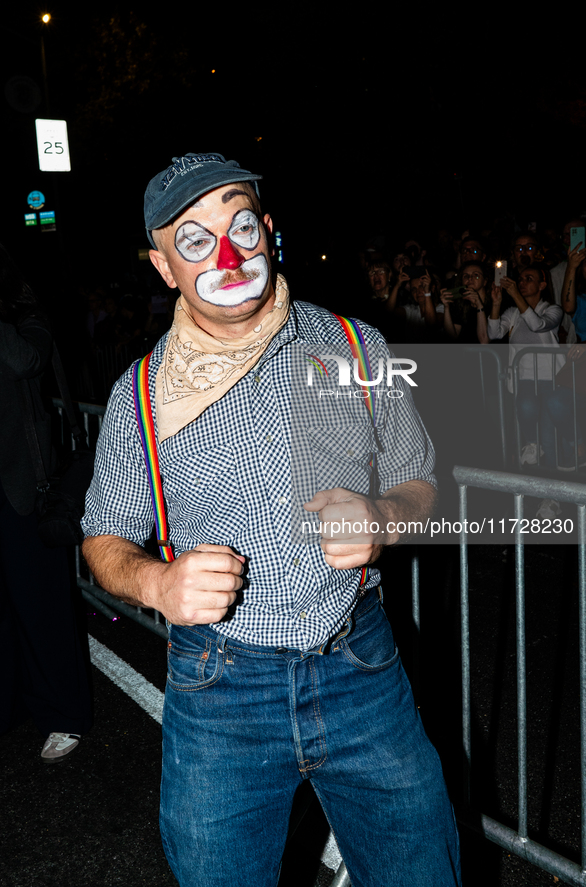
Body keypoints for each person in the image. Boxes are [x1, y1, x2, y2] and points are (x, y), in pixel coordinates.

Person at [81, 153, 461, 887]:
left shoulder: (355, 348)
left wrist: (383, 514)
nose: (228, 253)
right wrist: (158, 583)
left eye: (240, 223)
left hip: (361, 669)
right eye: (194, 239)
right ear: (164, 267)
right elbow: (102, 538)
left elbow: (423, 481)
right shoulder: (140, 396)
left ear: (269, 232)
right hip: (221, 688)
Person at [0, 243, 92, 760]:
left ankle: (64, 715)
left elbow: (24, 361)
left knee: (41, 607)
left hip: (22, 489)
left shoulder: (27, 319)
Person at [488, 265, 564, 470]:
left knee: (548, 437)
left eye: (528, 278)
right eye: (520, 279)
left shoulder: (553, 310)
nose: (521, 283)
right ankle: (532, 443)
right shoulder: (513, 313)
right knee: (526, 407)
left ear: (542, 285)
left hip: (550, 379)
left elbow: (537, 324)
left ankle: (552, 497)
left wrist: (514, 294)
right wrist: (496, 304)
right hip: (524, 379)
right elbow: (494, 333)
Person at [440, 262, 491, 343]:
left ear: (485, 281)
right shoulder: (461, 303)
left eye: (476, 275)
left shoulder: (494, 303)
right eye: (465, 276)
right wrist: (446, 307)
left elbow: (484, 341)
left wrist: (479, 305)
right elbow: (452, 336)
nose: (470, 278)